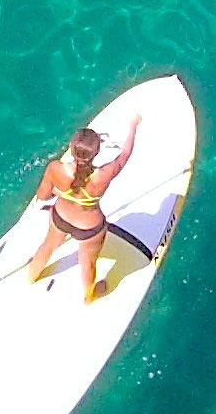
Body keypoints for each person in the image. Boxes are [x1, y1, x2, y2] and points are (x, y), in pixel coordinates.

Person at [23, 118, 141, 301]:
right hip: (89, 228)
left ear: (71, 147)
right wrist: (133, 126)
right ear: (96, 152)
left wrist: (58, 191)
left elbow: (42, 196)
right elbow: (125, 155)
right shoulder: (103, 175)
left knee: (48, 246)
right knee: (88, 263)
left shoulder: (55, 168)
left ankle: (31, 277)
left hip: (60, 218)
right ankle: (89, 297)